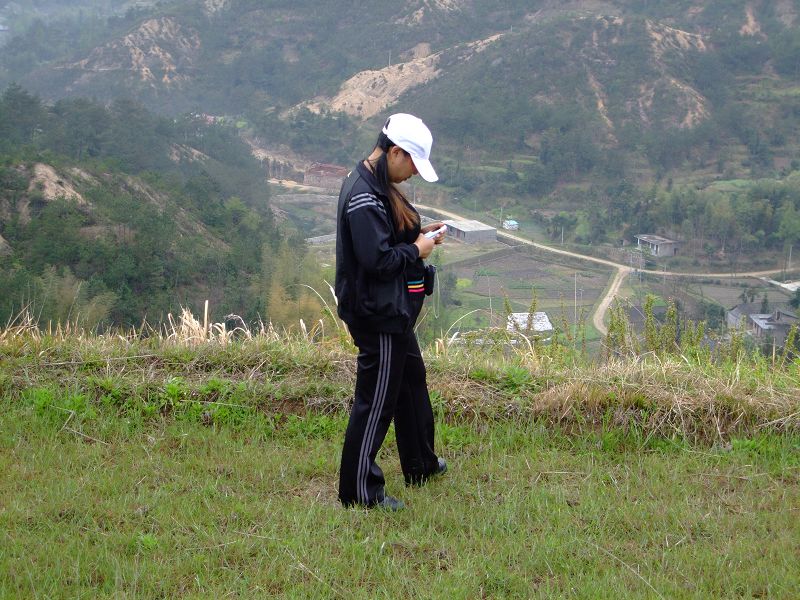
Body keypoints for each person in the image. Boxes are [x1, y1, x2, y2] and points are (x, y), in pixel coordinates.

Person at [334, 113, 447, 510]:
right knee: (376, 399)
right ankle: (360, 492)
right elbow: (377, 260)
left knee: (411, 379)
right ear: (394, 152)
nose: (413, 173)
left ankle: (420, 462)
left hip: (390, 309)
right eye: (412, 164)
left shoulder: (373, 184)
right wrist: (417, 249)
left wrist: (417, 236)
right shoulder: (364, 197)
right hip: (376, 313)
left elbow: (384, 240)